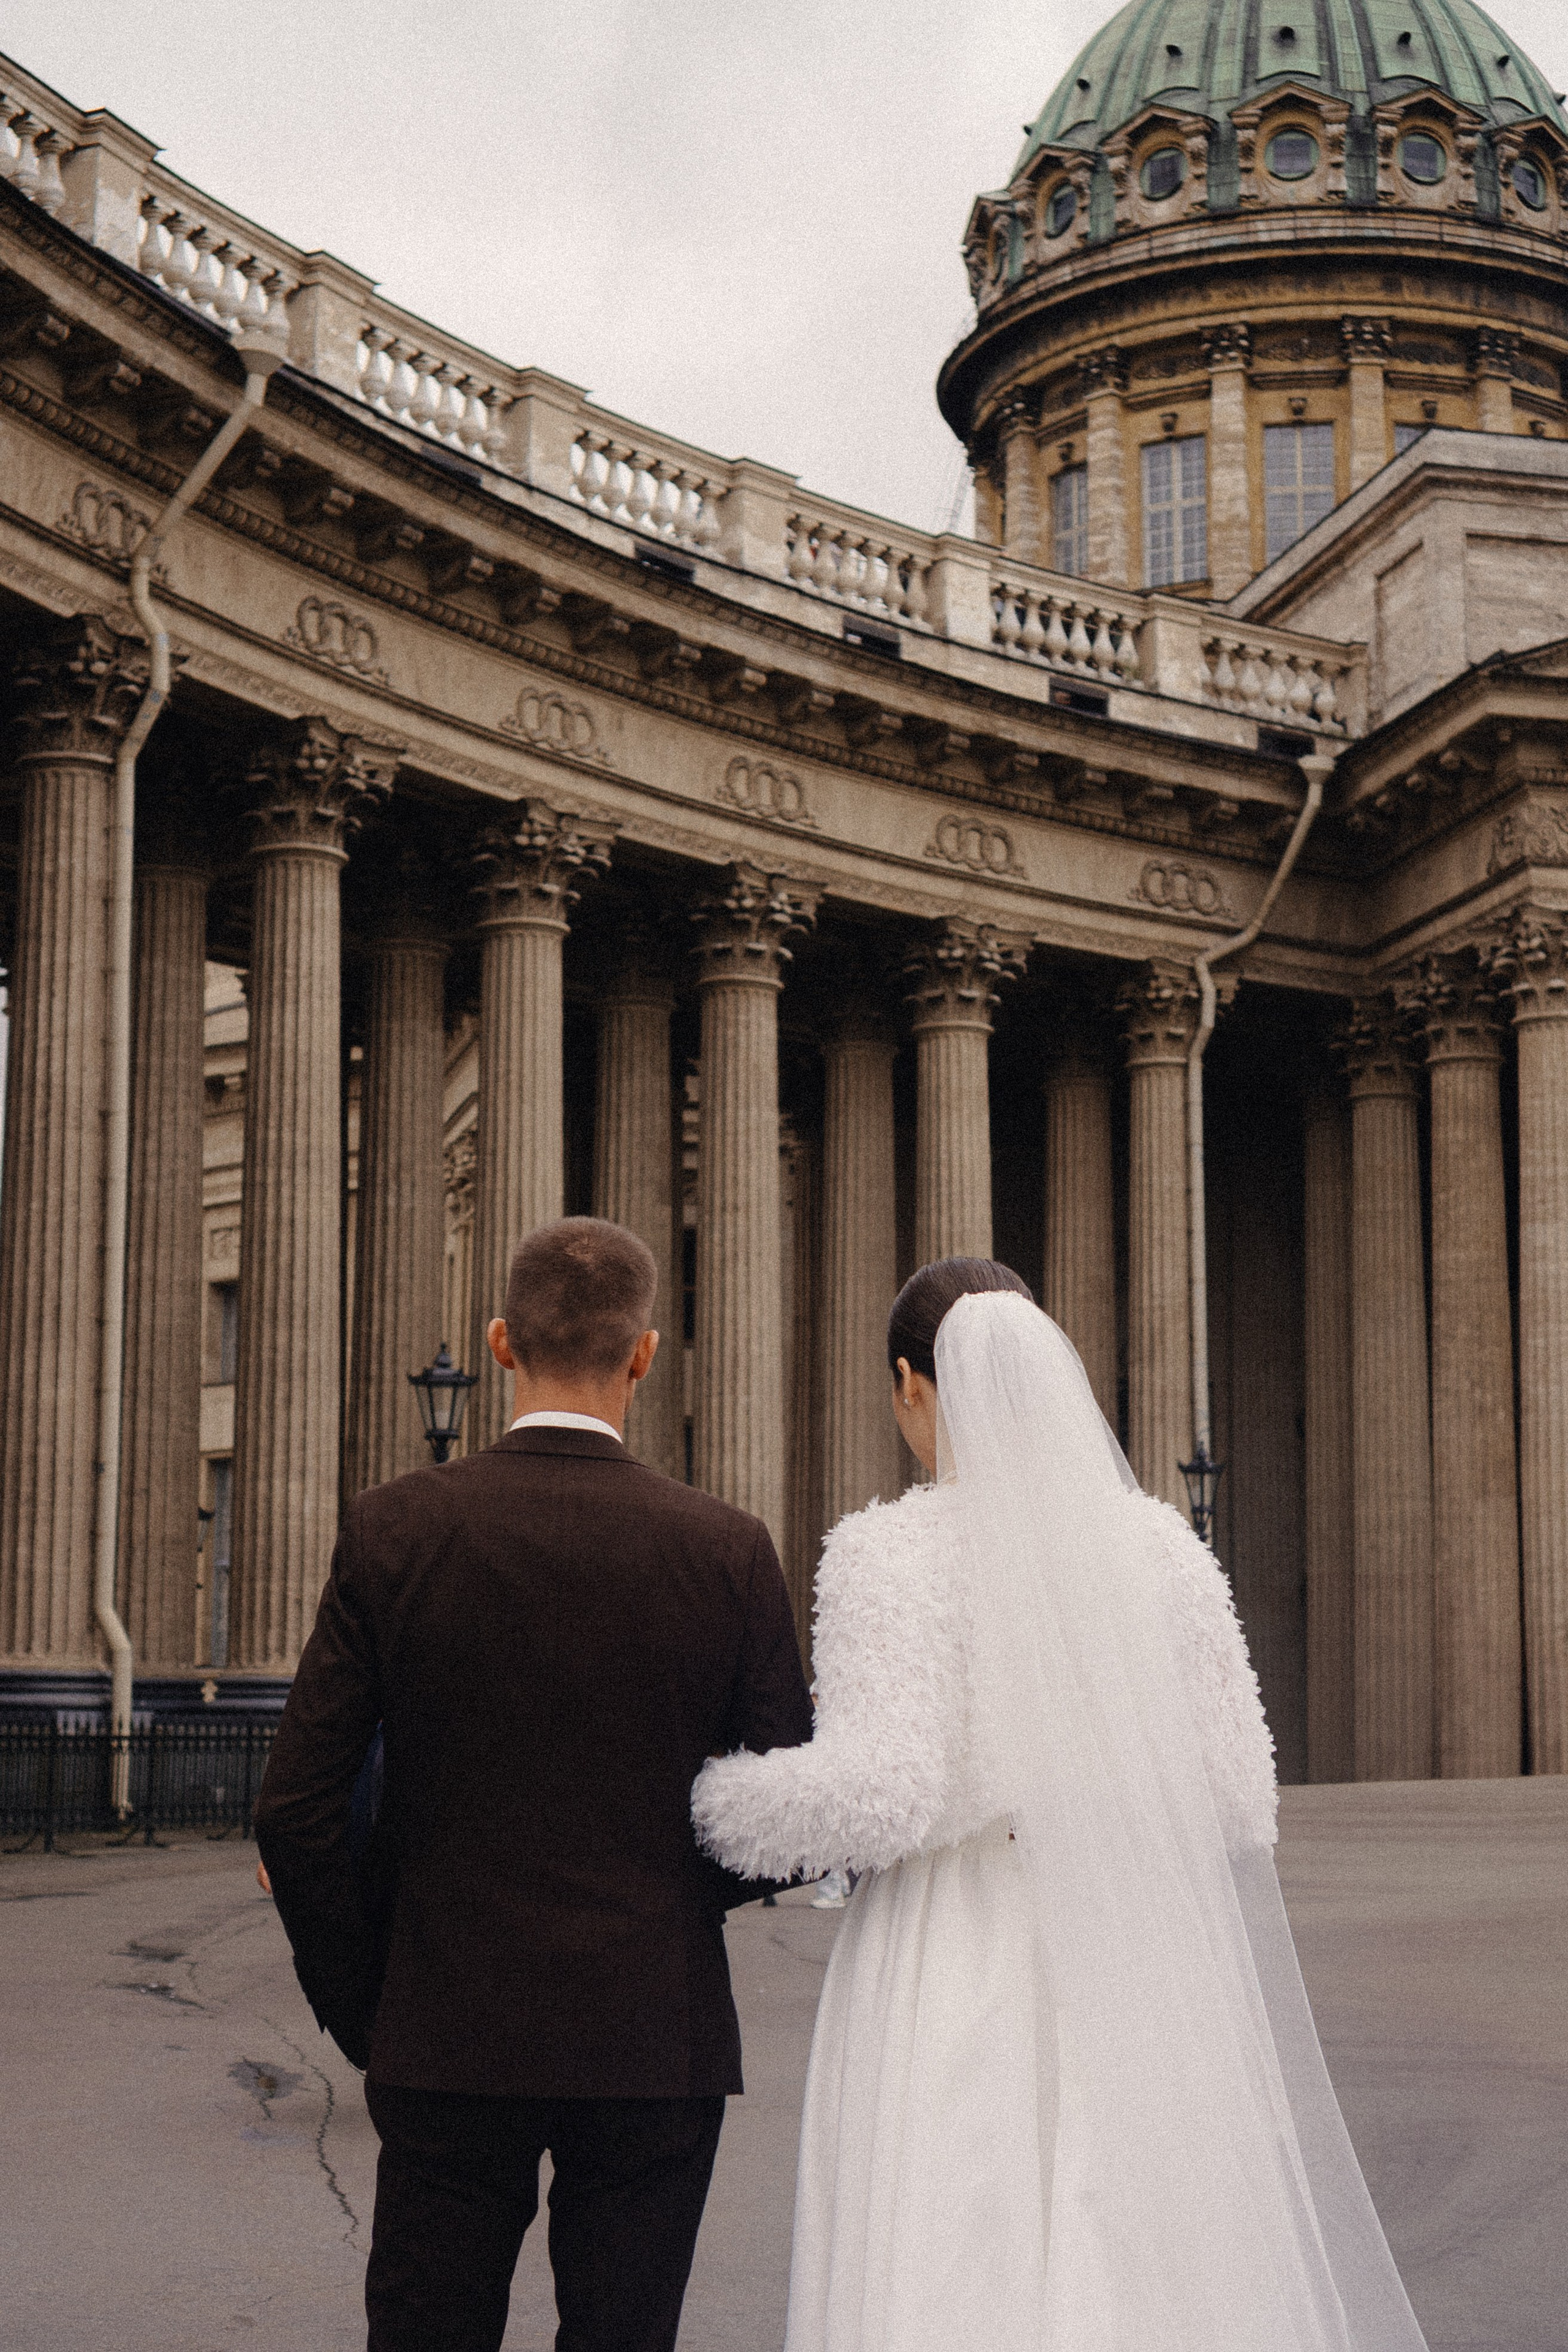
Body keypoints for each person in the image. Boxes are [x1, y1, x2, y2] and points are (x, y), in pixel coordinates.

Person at [693, 1257, 1431, 2352]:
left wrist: (717, 1797)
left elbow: (878, 1793)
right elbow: (1240, 1798)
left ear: (912, 1384)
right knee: (1136, 2242)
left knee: (955, 2235)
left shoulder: (889, 1556)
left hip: (956, 1942)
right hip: (1140, 1943)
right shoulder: (1165, 1551)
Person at [256, 1216, 813, 2352]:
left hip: (446, 2028)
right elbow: (786, 1820)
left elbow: (296, 1809)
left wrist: (370, 1997)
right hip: (654, 2040)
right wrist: (664, 1907)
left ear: (501, 1343)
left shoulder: (397, 1528)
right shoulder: (728, 1548)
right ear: (645, 1355)